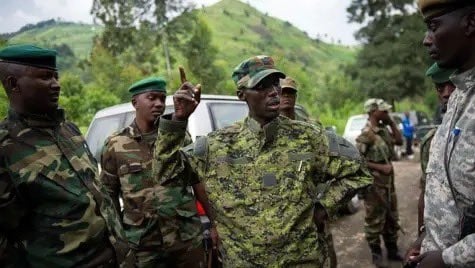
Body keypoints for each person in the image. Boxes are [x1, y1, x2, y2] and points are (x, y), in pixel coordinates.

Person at [152, 55, 373, 266]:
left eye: (275, 84)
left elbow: (358, 171)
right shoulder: (216, 145)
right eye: (261, 87)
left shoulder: (310, 137)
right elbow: (165, 174)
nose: (274, 93)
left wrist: (322, 208)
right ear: (241, 94)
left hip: (302, 260)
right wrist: (179, 120)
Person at [0, 44, 135, 267]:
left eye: (56, 76)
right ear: (13, 84)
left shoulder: (69, 130)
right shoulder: (6, 148)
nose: (56, 85)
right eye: (45, 77)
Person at [100, 77, 207, 267]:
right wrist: (117, 241)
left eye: (162, 98)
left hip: (184, 238)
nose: (158, 104)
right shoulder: (116, 145)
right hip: (142, 244)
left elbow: (197, 180)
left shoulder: (178, 137)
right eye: (152, 98)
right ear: (135, 103)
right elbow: (109, 197)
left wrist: (214, 224)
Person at [406, 1, 475, 267]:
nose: (426, 40)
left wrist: (447, 259)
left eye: (434, 27)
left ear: (470, 23)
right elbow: (442, 188)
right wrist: (425, 238)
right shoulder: (458, 98)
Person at [404, 63, 456, 265]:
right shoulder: (433, 140)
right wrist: (421, 238)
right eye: (440, 88)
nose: (446, 93)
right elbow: (427, 193)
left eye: (452, 85)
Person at [355, 98, 403, 267]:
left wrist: (391, 123)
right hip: (374, 186)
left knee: (392, 215)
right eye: (383, 111)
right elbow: (357, 161)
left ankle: (392, 250)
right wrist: (380, 168)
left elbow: (400, 141)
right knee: (375, 219)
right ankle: (376, 253)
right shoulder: (366, 133)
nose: (386, 113)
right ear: (373, 112)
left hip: (389, 184)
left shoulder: (383, 130)